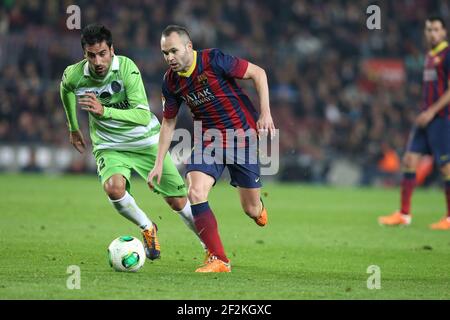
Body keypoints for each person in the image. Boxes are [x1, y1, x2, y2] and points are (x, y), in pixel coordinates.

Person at [60, 23, 205, 261]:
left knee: (177, 202)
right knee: (113, 189)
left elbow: (141, 114)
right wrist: (73, 127)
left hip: (145, 141)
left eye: (102, 54)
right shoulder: (75, 74)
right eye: (91, 55)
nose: (98, 62)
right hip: (109, 144)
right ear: (84, 54)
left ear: (112, 50)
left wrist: (104, 111)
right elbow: (65, 88)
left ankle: (208, 244)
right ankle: (147, 227)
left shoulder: (126, 68)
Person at [148, 25, 276, 272]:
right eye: (165, 53)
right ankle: (219, 258)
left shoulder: (214, 60)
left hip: (242, 136)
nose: (169, 58)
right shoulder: (170, 82)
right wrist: (158, 162)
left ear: (188, 47)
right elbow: (168, 122)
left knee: (250, 209)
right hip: (209, 140)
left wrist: (266, 113)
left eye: (173, 51)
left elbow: (258, 73)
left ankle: (258, 208)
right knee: (195, 192)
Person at [378, 17, 450, 230]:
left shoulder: (447, 55)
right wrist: (424, 112)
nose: (432, 34)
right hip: (424, 118)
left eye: (436, 29)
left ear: (444, 32)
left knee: (446, 167)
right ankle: (404, 214)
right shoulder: (429, 56)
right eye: (429, 29)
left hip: (442, 118)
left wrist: (432, 111)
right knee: (409, 160)